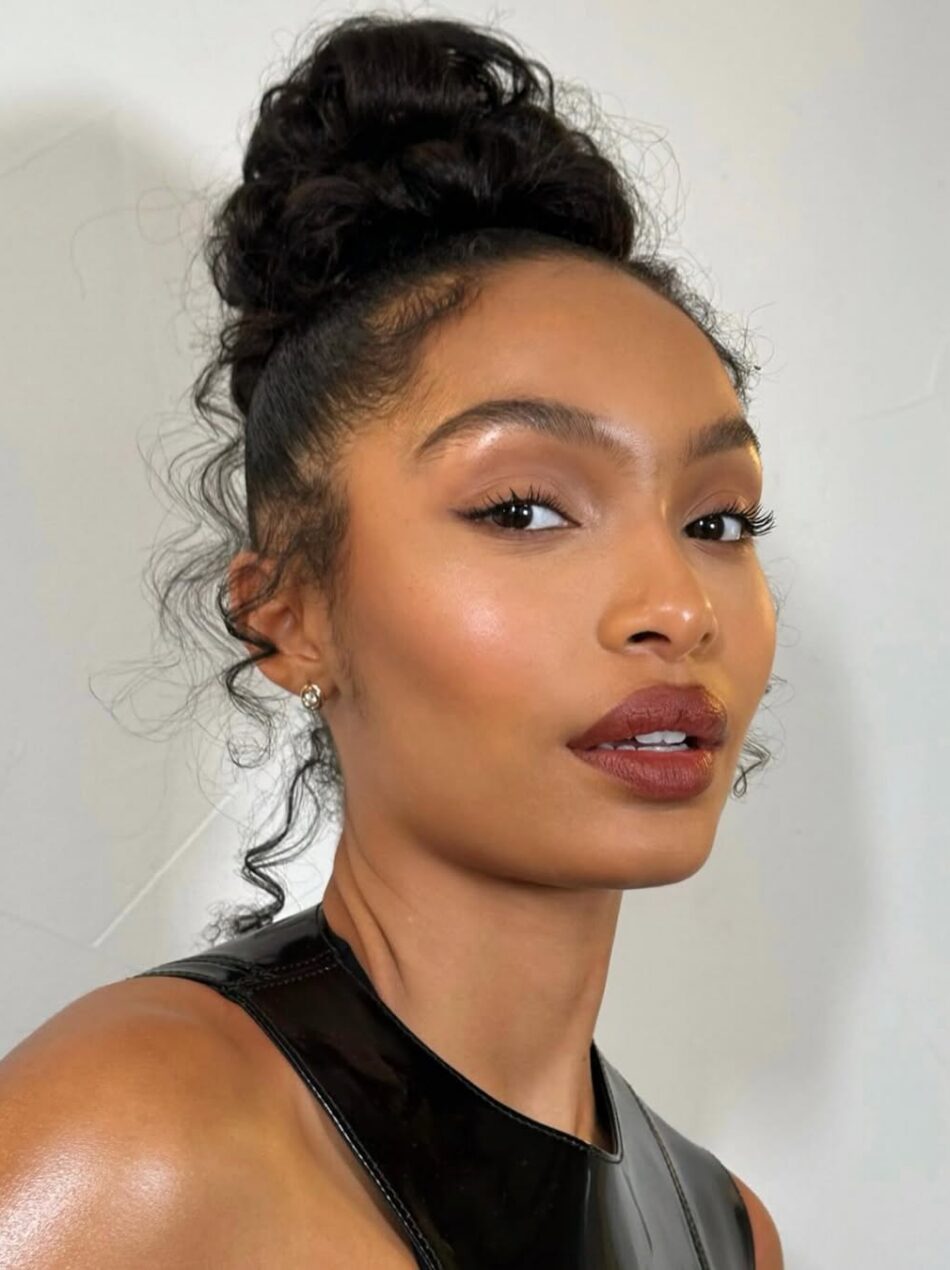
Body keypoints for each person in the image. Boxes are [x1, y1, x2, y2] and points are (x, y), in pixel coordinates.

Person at [0, 13, 785, 1268]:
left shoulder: (726, 1229)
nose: (677, 604)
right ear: (286, 613)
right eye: (521, 508)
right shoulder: (130, 1143)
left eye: (716, 520)